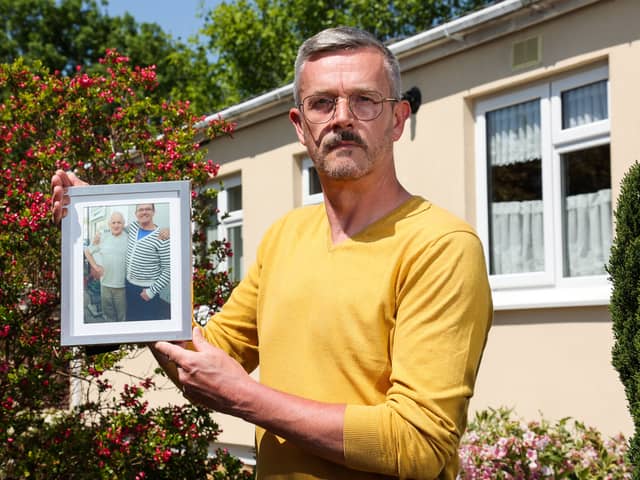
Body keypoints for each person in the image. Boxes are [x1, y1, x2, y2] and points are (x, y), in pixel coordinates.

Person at [52, 26, 492, 479]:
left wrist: (244, 397)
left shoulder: (442, 247)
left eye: (365, 100)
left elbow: (418, 443)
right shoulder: (285, 235)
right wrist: (102, 218)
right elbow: (212, 359)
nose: (342, 117)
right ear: (300, 127)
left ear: (397, 120)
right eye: (322, 103)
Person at [124, 203, 171, 321]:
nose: (144, 212)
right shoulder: (133, 227)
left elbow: (169, 269)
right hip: (130, 286)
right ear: (136, 214)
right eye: (140, 210)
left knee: (147, 327)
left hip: (147, 290)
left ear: (153, 212)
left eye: (148, 209)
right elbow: (116, 228)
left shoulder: (162, 237)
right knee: (131, 321)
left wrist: (151, 291)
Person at [84, 211, 128, 322]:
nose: (116, 225)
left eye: (119, 222)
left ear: (123, 224)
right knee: (108, 317)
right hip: (105, 286)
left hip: (121, 287)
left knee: (122, 318)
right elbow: (87, 252)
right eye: (113, 222)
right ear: (109, 224)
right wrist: (95, 266)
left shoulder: (129, 238)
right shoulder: (102, 237)